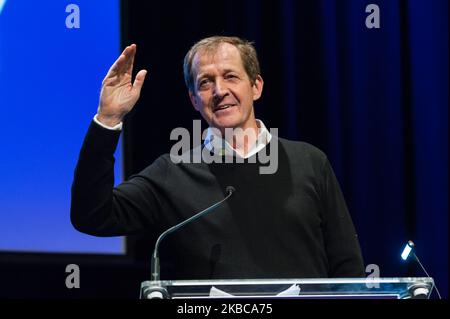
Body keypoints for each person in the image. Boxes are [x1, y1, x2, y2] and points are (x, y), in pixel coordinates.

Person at [71, 36, 365, 280]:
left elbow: (347, 266)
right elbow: (92, 216)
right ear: (194, 100)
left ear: (256, 86)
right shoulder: (172, 173)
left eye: (230, 76)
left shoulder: (310, 162)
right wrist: (108, 119)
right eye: (205, 83)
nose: (219, 91)